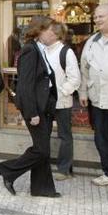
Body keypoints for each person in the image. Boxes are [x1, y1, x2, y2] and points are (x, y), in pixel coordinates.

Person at [0, 17, 61, 198]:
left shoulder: (41, 49)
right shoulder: (30, 50)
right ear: (39, 31)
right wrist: (32, 112)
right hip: (35, 109)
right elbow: (25, 85)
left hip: (45, 107)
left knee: (43, 150)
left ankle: (42, 189)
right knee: (41, 150)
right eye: (50, 31)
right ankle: (8, 170)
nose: (54, 34)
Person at [79, 3, 108, 194]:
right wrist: (83, 92)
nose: (97, 20)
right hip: (98, 99)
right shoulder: (92, 41)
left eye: (101, 16)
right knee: (102, 139)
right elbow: (84, 68)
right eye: (95, 17)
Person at [44, 21, 81, 181]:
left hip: (62, 101)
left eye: (45, 31)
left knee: (64, 135)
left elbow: (75, 79)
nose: (42, 33)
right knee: (43, 134)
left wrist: (61, 93)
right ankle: (42, 165)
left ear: (54, 34)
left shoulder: (66, 52)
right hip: (45, 101)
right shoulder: (43, 50)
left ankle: (64, 169)